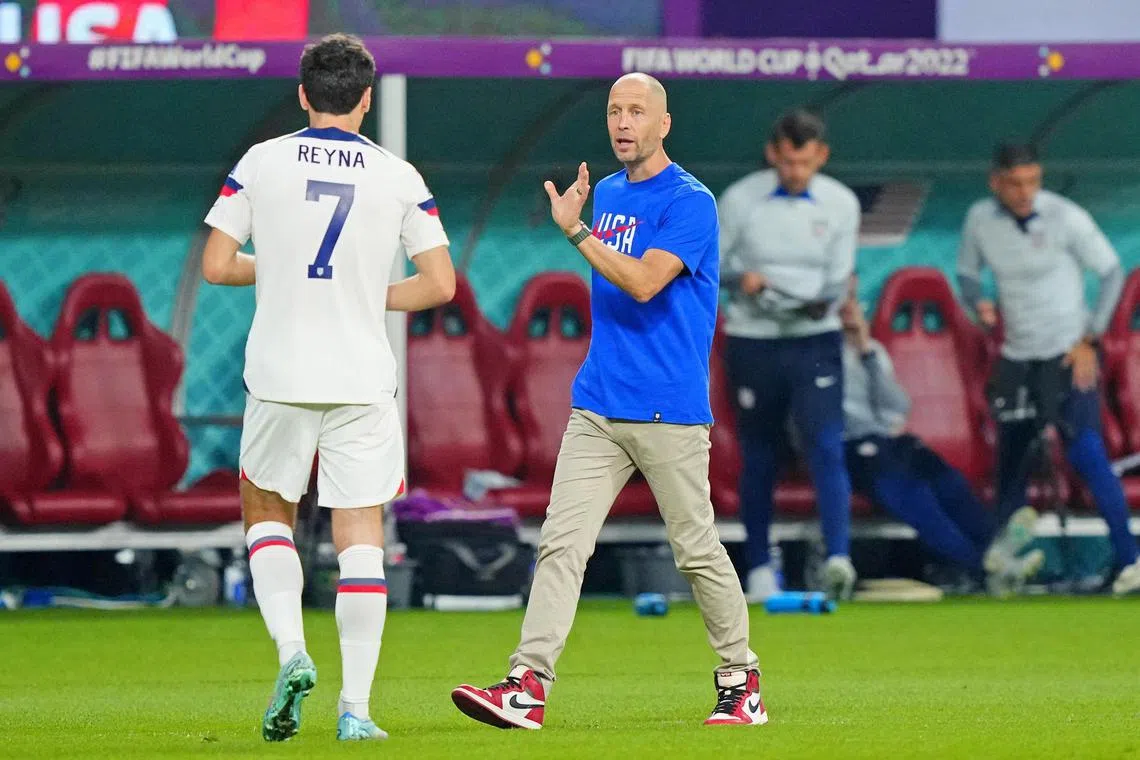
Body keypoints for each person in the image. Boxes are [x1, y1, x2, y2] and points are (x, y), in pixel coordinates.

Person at [450, 73, 765, 730]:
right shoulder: (612, 193)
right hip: (598, 406)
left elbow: (647, 282)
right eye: (614, 111)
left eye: (637, 111)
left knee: (695, 550)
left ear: (664, 124)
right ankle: (526, 685)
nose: (623, 122)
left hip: (669, 410)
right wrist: (586, 226)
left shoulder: (691, 202)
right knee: (561, 546)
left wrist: (576, 233)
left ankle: (741, 680)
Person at [200, 34, 457, 742]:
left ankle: (291, 652)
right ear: (368, 100)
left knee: (266, 512)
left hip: (281, 373)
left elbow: (218, 265)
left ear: (304, 93)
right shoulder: (399, 175)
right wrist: (364, 289)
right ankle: (357, 712)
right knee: (360, 535)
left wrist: (280, 269)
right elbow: (440, 284)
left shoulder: (262, 162)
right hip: (361, 377)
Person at [957, 142, 1140, 596]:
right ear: (995, 182)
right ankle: (1005, 566)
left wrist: (1089, 339)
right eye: (1015, 183)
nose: (1025, 192)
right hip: (1018, 358)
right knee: (1011, 461)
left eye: (1033, 182)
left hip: (1066, 355)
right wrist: (975, 301)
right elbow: (965, 273)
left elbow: (1112, 272)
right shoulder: (980, 219)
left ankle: (1130, 560)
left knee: (1086, 453)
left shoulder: (1065, 216)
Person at [717, 109, 859, 602]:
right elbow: (706, 265)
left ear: (821, 155)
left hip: (814, 339)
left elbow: (839, 279)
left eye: (805, 162)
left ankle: (838, 559)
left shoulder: (841, 204)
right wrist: (742, 280)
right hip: (753, 339)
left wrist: (823, 301)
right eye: (787, 161)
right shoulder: (739, 199)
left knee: (825, 445)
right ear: (774, 152)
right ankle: (759, 565)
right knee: (759, 454)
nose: (795, 171)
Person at [837, 277, 1045, 594]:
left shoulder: (873, 352)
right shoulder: (819, 357)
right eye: (844, 299)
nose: (851, 308)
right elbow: (842, 419)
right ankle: (982, 566)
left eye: (853, 299)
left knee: (946, 479)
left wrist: (865, 353)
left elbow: (897, 407)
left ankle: (996, 549)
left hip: (889, 441)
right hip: (851, 447)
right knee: (917, 496)